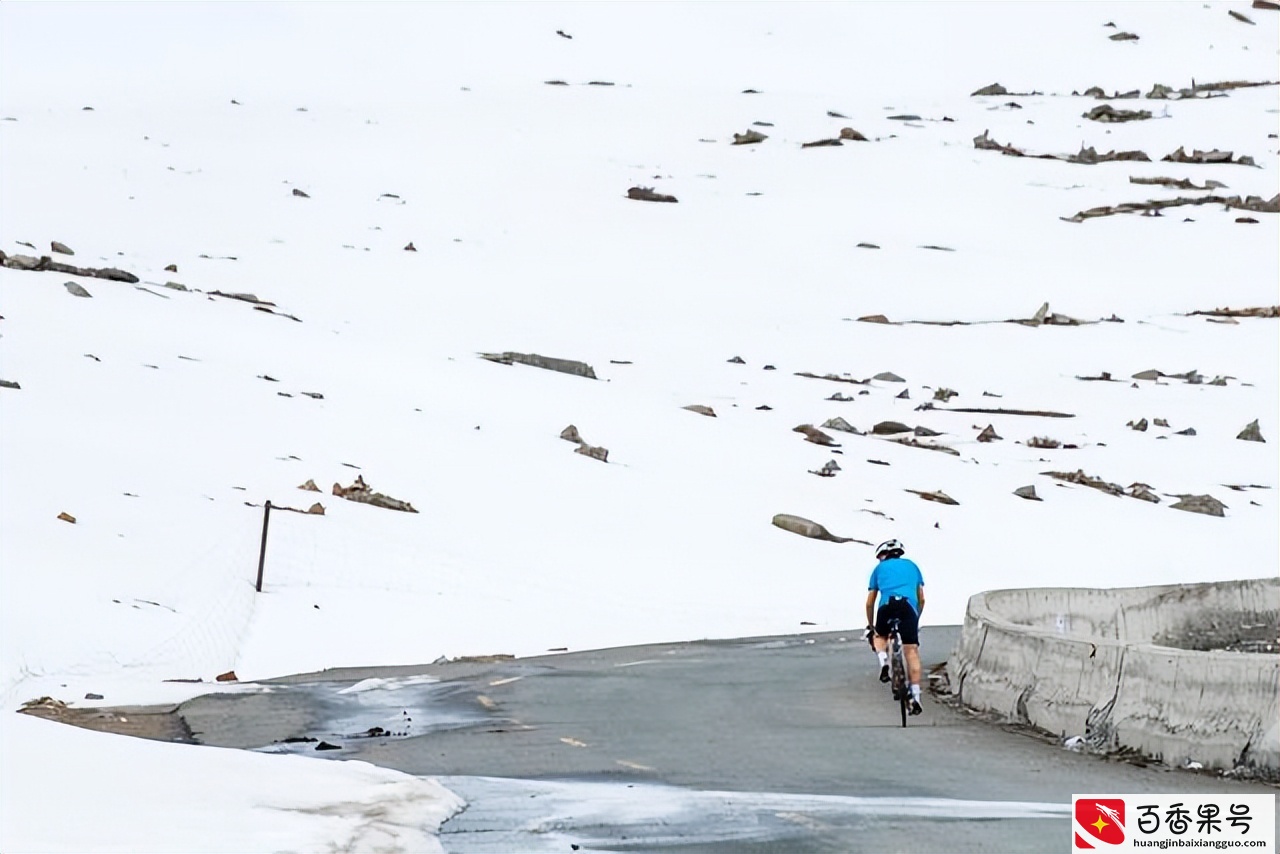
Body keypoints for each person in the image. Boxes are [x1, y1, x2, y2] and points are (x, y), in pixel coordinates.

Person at [864, 538, 926, 715]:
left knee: (880, 636)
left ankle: (884, 661)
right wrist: (915, 618)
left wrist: (871, 626)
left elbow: (870, 602)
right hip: (908, 609)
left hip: (886, 607)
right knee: (911, 651)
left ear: (883, 556)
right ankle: (915, 696)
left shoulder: (878, 569)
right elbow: (922, 598)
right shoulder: (913, 566)